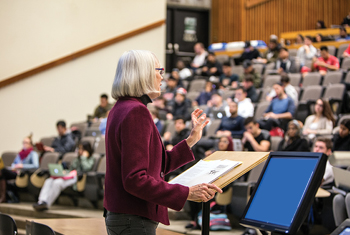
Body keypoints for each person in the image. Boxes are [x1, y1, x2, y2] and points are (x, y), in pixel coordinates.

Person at [104, 50, 222, 234]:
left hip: (125, 215)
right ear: (142, 73)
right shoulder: (136, 111)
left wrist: (191, 140)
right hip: (133, 217)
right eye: (159, 71)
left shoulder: (119, 108)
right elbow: (135, 179)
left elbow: (156, 165)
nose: (161, 77)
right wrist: (186, 192)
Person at [33, 141, 95, 211]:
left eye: (82, 149)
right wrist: (65, 172)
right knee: (49, 180)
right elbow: (72, 168)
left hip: (77, 177)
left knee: (57, 183)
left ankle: (46, 204)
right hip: (69, 175)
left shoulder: (91, 158)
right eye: (79, 148)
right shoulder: (77, 159)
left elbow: (86, 168)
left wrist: (83, 158)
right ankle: (41, 201)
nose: (80, 151)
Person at [0, 135, 39, 203]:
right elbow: (14, 163)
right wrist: (14, 167)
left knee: (2, 172)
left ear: (30, 144)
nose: (24, 144)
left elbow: (35, 165)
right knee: (2, 173)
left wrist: (22, 166)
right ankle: (3, 196)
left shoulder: (33, 153)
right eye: (23, 142)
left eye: (26, 143)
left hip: (23, 173)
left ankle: (3, 197)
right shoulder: (20, 153)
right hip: (15, 171)